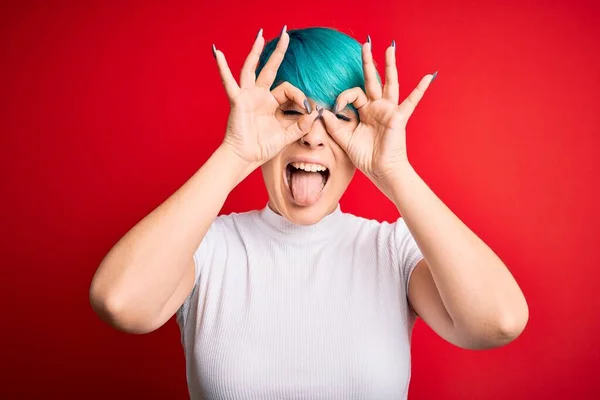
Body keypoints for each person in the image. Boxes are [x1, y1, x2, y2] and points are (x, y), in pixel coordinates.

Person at [89, 26, 529, 399]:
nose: (313, 138)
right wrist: (235, 153)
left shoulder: (391, 251)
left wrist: (395, 171)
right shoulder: (207, 248)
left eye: (341, 116)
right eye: (292, 112)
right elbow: (121, 303)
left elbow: (498, 322)